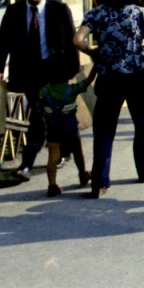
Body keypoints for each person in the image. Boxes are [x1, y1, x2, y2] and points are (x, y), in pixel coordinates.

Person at [74, 0, 144, 197]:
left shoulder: (97, 14)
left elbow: (77, 40)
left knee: (104, 129)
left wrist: (92, 52)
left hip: (109, 76)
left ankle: (100, 180)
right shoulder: (140, 13)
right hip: (137, 75)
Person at [0, 0, 81, 182]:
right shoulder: (14, 13)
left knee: (45, 117)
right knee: (42, 117)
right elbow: (2, 45)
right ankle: (45, 157)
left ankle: (32, 161)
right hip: (28, 74)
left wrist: (71, 73)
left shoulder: (59, 10)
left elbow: (71, 43)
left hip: (54, 73)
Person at [38, 66, 98, 197]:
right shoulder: (71, 89)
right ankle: (83, 174)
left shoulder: (44, 91)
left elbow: (39, 107)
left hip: (53, 127)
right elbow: (87, 82)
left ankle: (52, 185)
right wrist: (95, 68)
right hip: (70, 127)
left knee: (52, 157)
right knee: (78, 152)